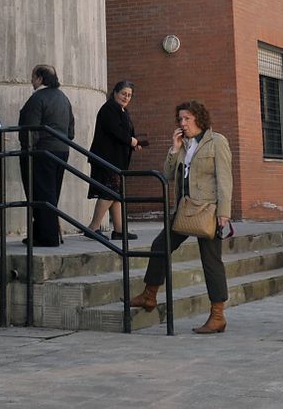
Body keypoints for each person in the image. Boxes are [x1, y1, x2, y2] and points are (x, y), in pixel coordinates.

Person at [129, 101, 233, 334]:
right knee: (159, 245)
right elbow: (167, 175)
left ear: (199, 118)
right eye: (180, 119)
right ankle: (149, 295)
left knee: (211, 262)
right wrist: (174, 148)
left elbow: (225, 179)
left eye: (187, 118)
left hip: (208, 211)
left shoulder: (217, 142)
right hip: (184, 211)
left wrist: (224, 213)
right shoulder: (184, 146)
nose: (183, 123)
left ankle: (218, 316)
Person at [18, 63, 74, 247]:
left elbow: (30, 129)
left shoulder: (37, 99)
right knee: (52, 194)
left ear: (40, 78)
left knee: (40, 194)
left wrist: (28, 149)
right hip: (61, 150)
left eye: (33, 77)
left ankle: (47, 236)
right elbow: (71, 129)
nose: (31, 80)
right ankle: (42, 233)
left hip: (41, 151)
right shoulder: (64, 98)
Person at [87, 80, 143, 239]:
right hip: (107, 158)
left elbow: (124, 133)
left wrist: (134, 143)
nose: (126, 97)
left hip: (116, 159)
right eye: (123, 93)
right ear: (115, 93)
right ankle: (93, 227)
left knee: (117, 193)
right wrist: (131, 140)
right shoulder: (109, 108)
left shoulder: (122, 110)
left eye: (129, 95)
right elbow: (115, 131)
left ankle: (119, 231)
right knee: (110, 192)